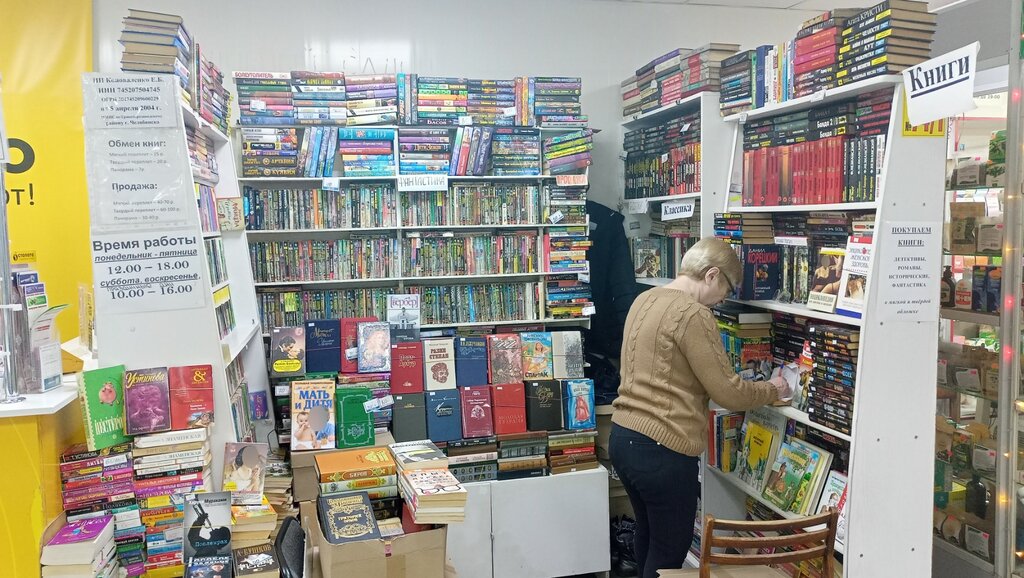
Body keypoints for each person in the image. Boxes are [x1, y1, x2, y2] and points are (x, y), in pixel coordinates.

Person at [609, 237, 793, 578]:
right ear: (711, 275)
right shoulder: (693, 313)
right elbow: (728, 393)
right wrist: (773, 389)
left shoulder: (644, 298)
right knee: (668, 554)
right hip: (663, 449)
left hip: (623, 438)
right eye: (727, 288)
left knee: (648, 537)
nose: (723, 298)